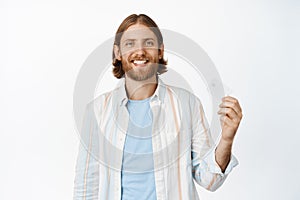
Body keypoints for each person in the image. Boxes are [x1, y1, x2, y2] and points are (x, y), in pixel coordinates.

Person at [73, 14, 243, 200]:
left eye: (148, 43)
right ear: (117, 53)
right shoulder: (97, 111)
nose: (140, 51)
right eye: (130, 44)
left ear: (160, 51)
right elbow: (86, 187)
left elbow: (210, 180)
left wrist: (227, 138)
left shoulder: (187, 104)